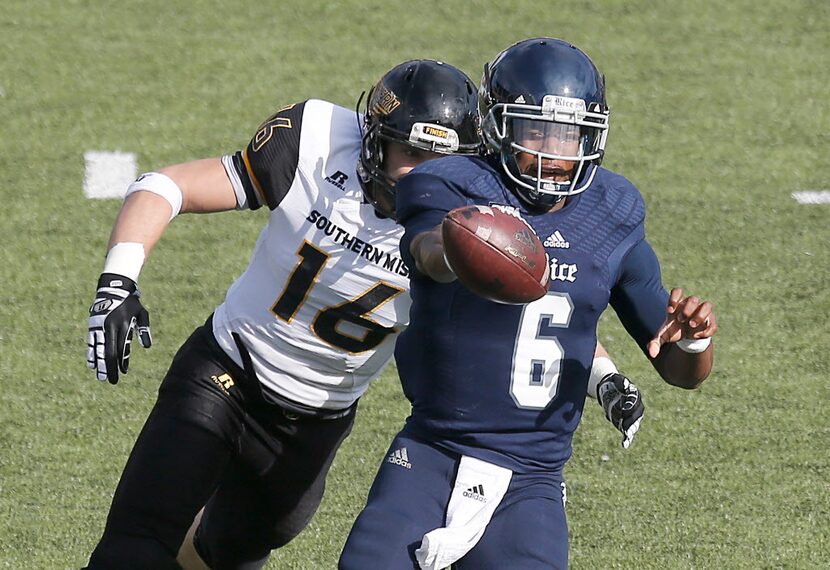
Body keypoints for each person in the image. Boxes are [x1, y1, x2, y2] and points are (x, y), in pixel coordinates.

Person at [83, 57, 640, 569]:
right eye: (410, 155)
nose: (421, 173)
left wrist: (606, 377)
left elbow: (539, 321)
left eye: (440, 160)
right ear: (374, 140)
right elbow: (167, 185)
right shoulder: (317, 143)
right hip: (227, 371)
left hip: (318, 419)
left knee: (229, 550)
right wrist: (118, 280)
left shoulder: (475, 212)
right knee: (136, 544)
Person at [339, 38, 718, 570]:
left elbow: (682, 371)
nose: (552, 151)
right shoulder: (453, 184)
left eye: (569, 134)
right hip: (433, 452)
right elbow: (424, 250)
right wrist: (458, 247)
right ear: (496, 127)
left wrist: (694, 338)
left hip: (533, 479)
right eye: (536, 129)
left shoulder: (610, 213)